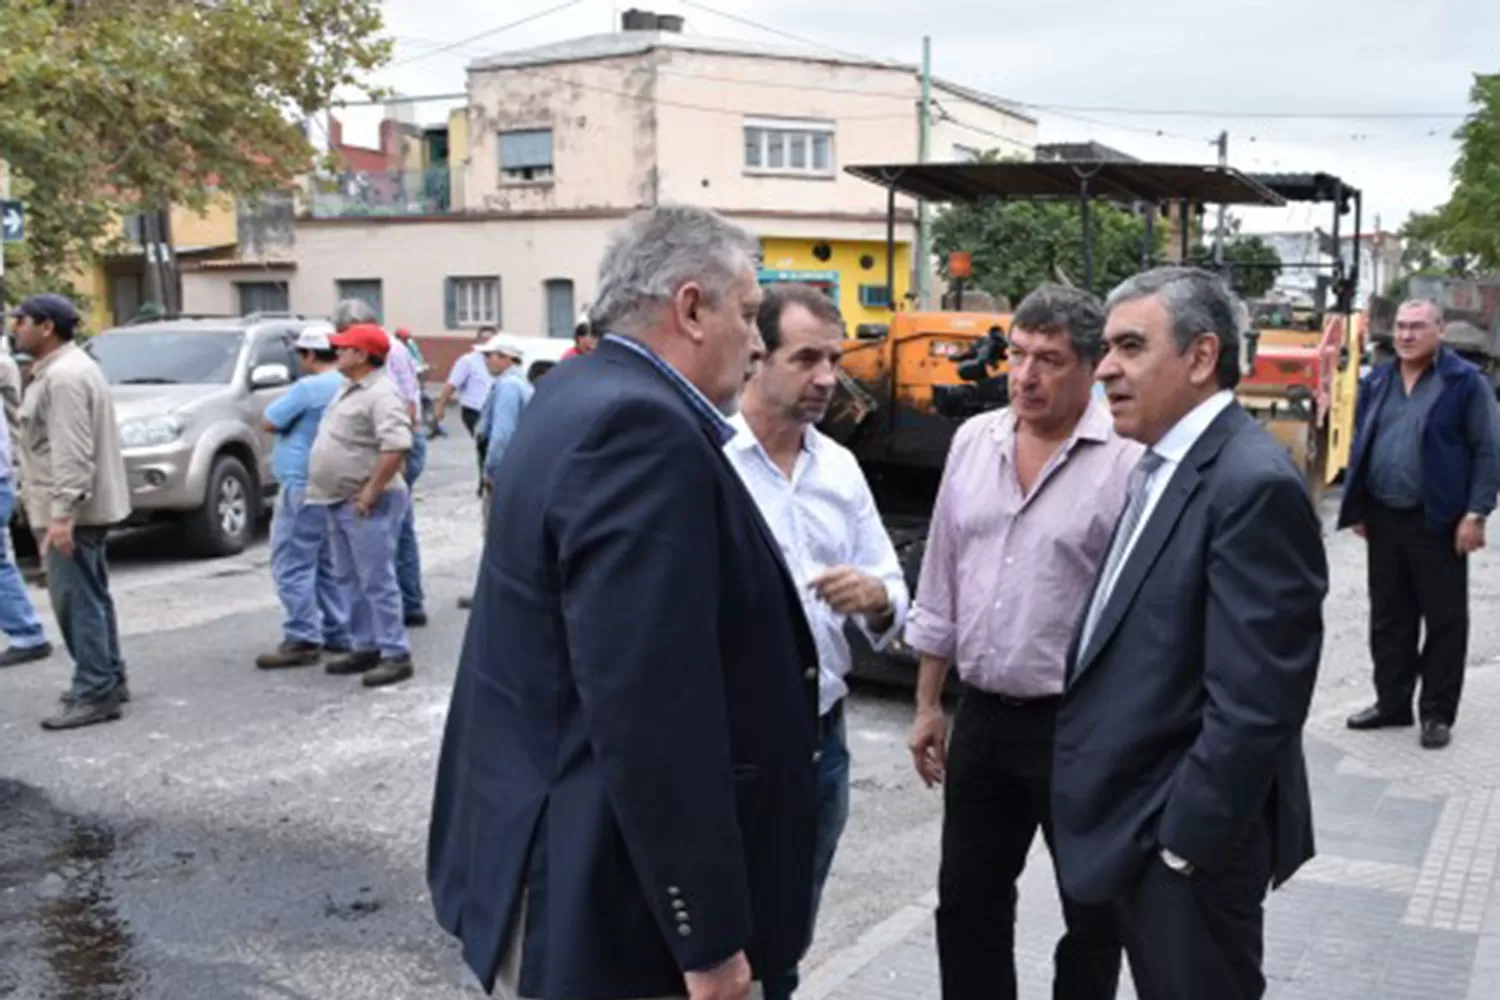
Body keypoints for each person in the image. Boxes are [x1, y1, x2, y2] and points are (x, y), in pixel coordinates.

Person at [428, 205, 820, 1000]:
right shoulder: (641, 428)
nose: (756, 342)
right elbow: (652, 708)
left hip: (551, 845)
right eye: (747, 315)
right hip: (604, 891)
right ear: (689, 308)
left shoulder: (578, 389)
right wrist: (707, 938)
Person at [1052, 267, 1327, 1000]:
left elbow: (1258, 702)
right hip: (1136, 832)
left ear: (1202, 357)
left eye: (1130, 346)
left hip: (1183, 857)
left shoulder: (1249, 483)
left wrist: (1183, 847)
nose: (1105, 367)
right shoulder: (1165, 466)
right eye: (1106, 347)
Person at [905, 285, 1132, 1000]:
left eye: (1051, 360)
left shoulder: (1128, 458)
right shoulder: (975, 441)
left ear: (1092, 366)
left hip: (1083, 727)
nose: (1026, 375)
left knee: (1094, 913)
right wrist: (927, 703)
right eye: (1019, 355)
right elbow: (941, 574)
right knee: (967, 903)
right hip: (986, 720)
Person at [725, 283, 908, 1000]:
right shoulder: (709, 459)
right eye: (807, 358)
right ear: (756, 356)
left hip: (817, 745)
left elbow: (895, 594)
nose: (828, 377)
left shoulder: (840, 469)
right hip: (728, 742)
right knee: (712, 935)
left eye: (833, 358)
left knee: (785, 932)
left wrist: (879, 597)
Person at [1338, 298, 1500, 750]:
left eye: (1418, 327)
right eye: (1401, 327)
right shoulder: (1380, 380)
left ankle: (1436, 714)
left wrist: (1477, 512)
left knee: (1444, 619)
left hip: (1440, 520)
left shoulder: (1464, 383)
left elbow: (1488, 449)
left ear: (1439, 331)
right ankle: (1392, 704)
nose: (1406, 335)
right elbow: (1361, 440)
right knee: (1390, 616)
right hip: (1384, 516)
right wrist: (1359, 504)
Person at [12, 294, 132, 730]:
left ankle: (95, 691)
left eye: (21, 320)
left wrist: (62, 515)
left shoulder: (64, 377)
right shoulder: (68, 369)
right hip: (82, 507)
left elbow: (71, 452)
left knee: (76, 601)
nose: (14, 327)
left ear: (47, 327)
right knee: (92, 596)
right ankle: (108, 677)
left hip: (71, 511)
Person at [306, 323, 414, 688]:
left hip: (369, 501)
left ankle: (394, 652)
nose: (336, 352)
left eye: (344, 347)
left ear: (363, 355)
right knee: (348, 576)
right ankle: (365, 643)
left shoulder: (381, 394)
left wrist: (371, 491)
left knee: (376, 578)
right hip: (340, 497)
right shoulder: (349, 389)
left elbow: (396, 445)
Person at [254, 324, 352, 669]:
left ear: (309, 354)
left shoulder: (308, 388)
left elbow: (269, 420)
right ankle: (339, 629)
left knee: (292, 563)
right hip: (331, 484)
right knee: (327, 562)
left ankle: (302, 636)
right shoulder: (347, 384)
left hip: (300, 483)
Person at [333, 302, 428, 629]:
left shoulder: (387, 354)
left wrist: (385, 475)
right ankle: (405, 603)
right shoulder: (388, 354)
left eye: (345, 338)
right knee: (397, 528)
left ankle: (397, 611)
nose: (340, 346)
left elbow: (407, 408)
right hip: (392, 447)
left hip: (392, 449)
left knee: (388, 529)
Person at [456, 337, 533, 612]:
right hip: (518, 471)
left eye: (492, 355)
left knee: (496, 533)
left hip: (505, 472)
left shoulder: (509, 387)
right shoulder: (517, 384)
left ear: (507, 358)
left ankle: (494, 596)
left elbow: (502, 434)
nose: (487, 360)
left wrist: (492, 472)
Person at [432, 325, 497, 489]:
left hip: (493, 410)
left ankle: (489, 479)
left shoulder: (498, 360)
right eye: (484, 338)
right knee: (484, 444)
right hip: (473, 410)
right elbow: (451, 385)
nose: (487, 342)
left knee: (493, 444)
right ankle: (484, 482)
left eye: (491, 338)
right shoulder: (468, 361)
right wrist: (440, 406)